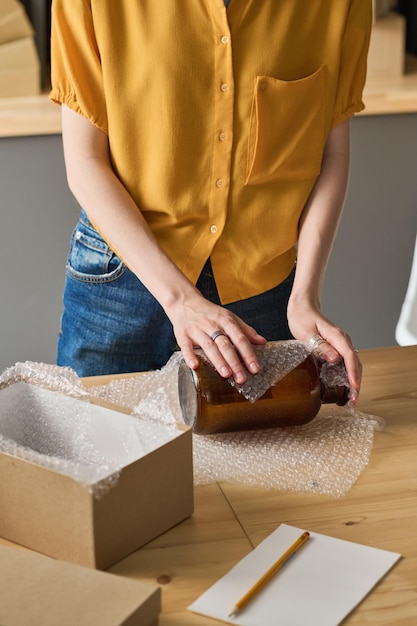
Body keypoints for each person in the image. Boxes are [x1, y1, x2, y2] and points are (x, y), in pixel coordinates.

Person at [50, 0, 371, 400]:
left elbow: (331, 155)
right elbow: (84, 161)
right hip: (122, 282)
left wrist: (305, 296)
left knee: (254, 461)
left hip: (262, 293)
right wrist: (180, 298)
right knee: (101, 453)